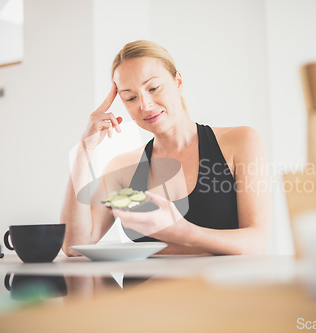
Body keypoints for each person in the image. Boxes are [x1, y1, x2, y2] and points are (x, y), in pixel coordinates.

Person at [60, 40, 271, 256]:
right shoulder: (123, 167)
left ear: (177, 81)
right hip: (144, 289)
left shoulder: (240, 141)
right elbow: (74, 246)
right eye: (130, 97)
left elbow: (257, 243)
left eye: (153, 88)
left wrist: (184, 232)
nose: (145, 104)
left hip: (215, 288)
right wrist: (83, 151)